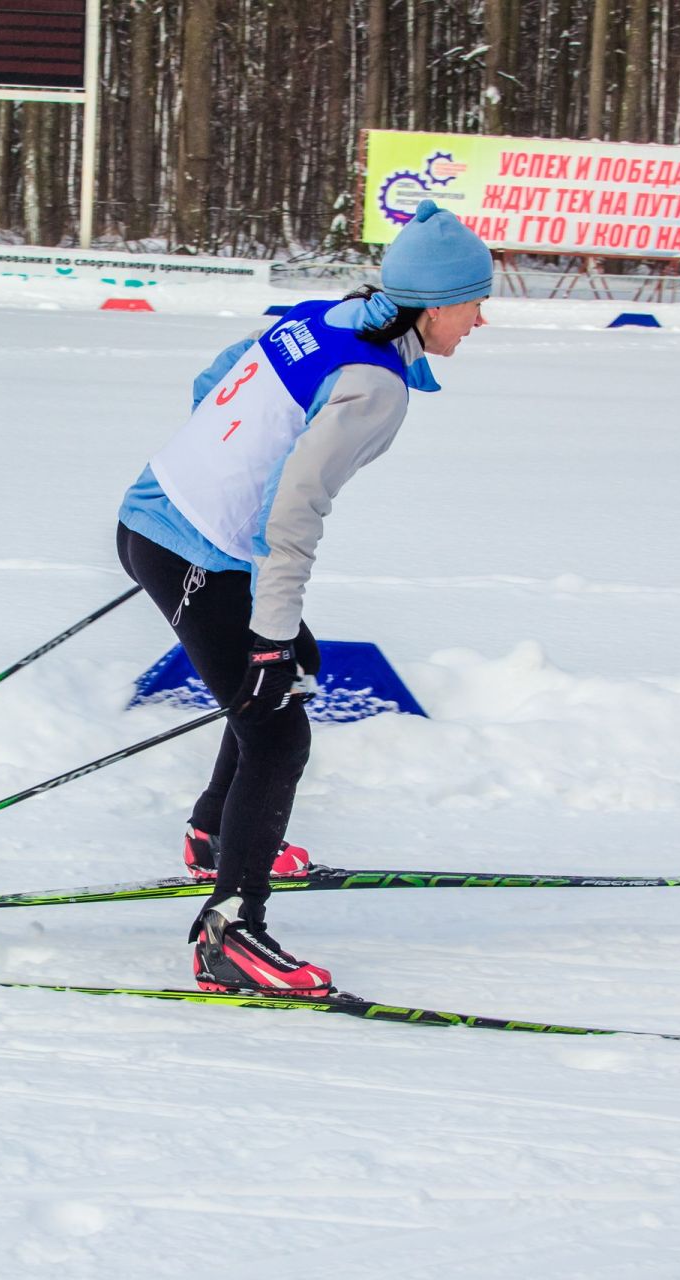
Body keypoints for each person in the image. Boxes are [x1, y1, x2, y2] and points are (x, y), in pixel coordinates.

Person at [114, 200, 491, 995]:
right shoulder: (378, 385)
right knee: (277, 730)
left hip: (165, 522)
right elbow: (295, 513)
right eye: (472, 301)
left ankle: (215, 835)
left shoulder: (326, 318)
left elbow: (212, 380)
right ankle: (231, 931)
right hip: (191, 549)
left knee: (296, 670)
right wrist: (266, 633)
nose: (481, 319)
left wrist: (207, 483)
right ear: (429, 305)